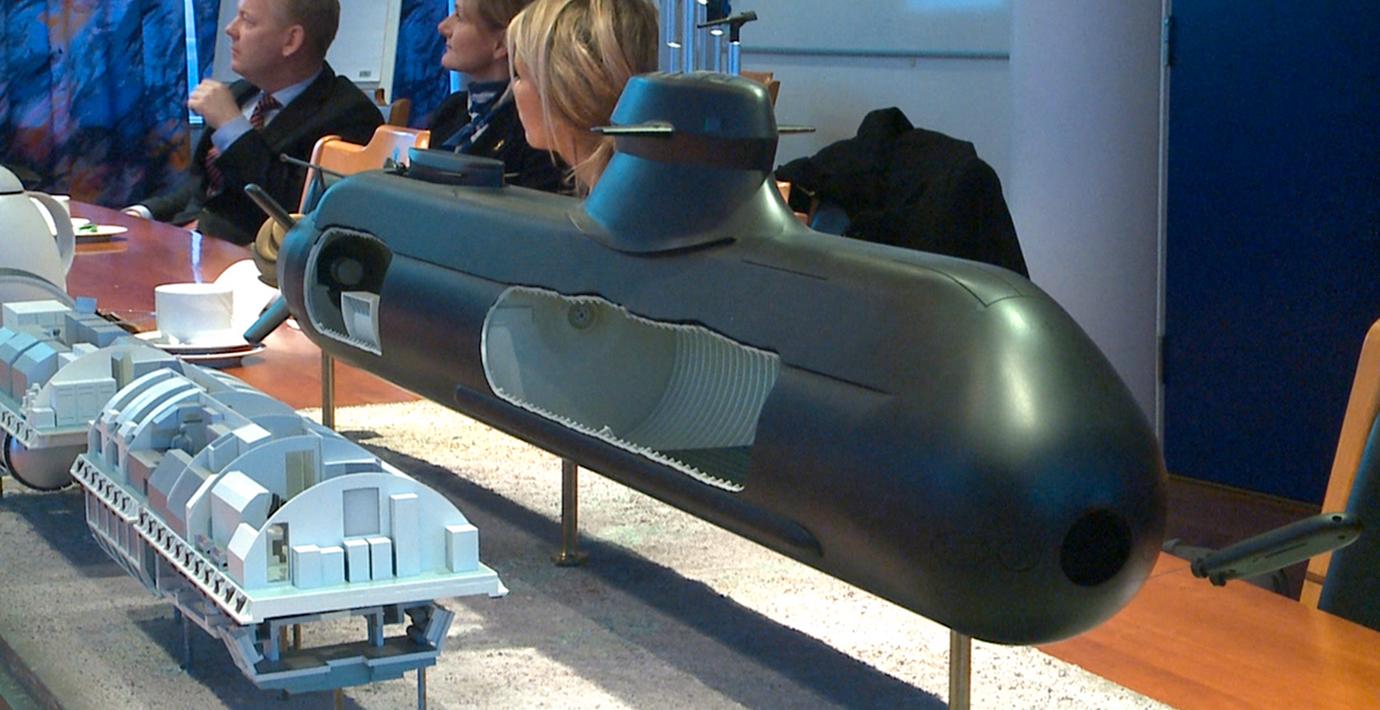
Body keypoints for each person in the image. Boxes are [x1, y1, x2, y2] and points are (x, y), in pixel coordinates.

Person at [126, 0, 382, 245]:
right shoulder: (241, 93)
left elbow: (297, 210)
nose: (230, 29)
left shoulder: (351, 115)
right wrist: (143, 212)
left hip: (251, 261)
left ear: (291, 40)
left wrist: (232, 127)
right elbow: (201, 192)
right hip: (190, 244)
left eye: (247, 20)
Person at [506, 0, 658, 193]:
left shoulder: (619, 206)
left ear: (565, 88)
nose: (513, 88)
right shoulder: (649, 190)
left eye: (519, 75)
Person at [430, 0, 564, 192]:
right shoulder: (453, 109)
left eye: (460, 17)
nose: (443, 27)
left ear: (501, 43)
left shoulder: (535, 129)